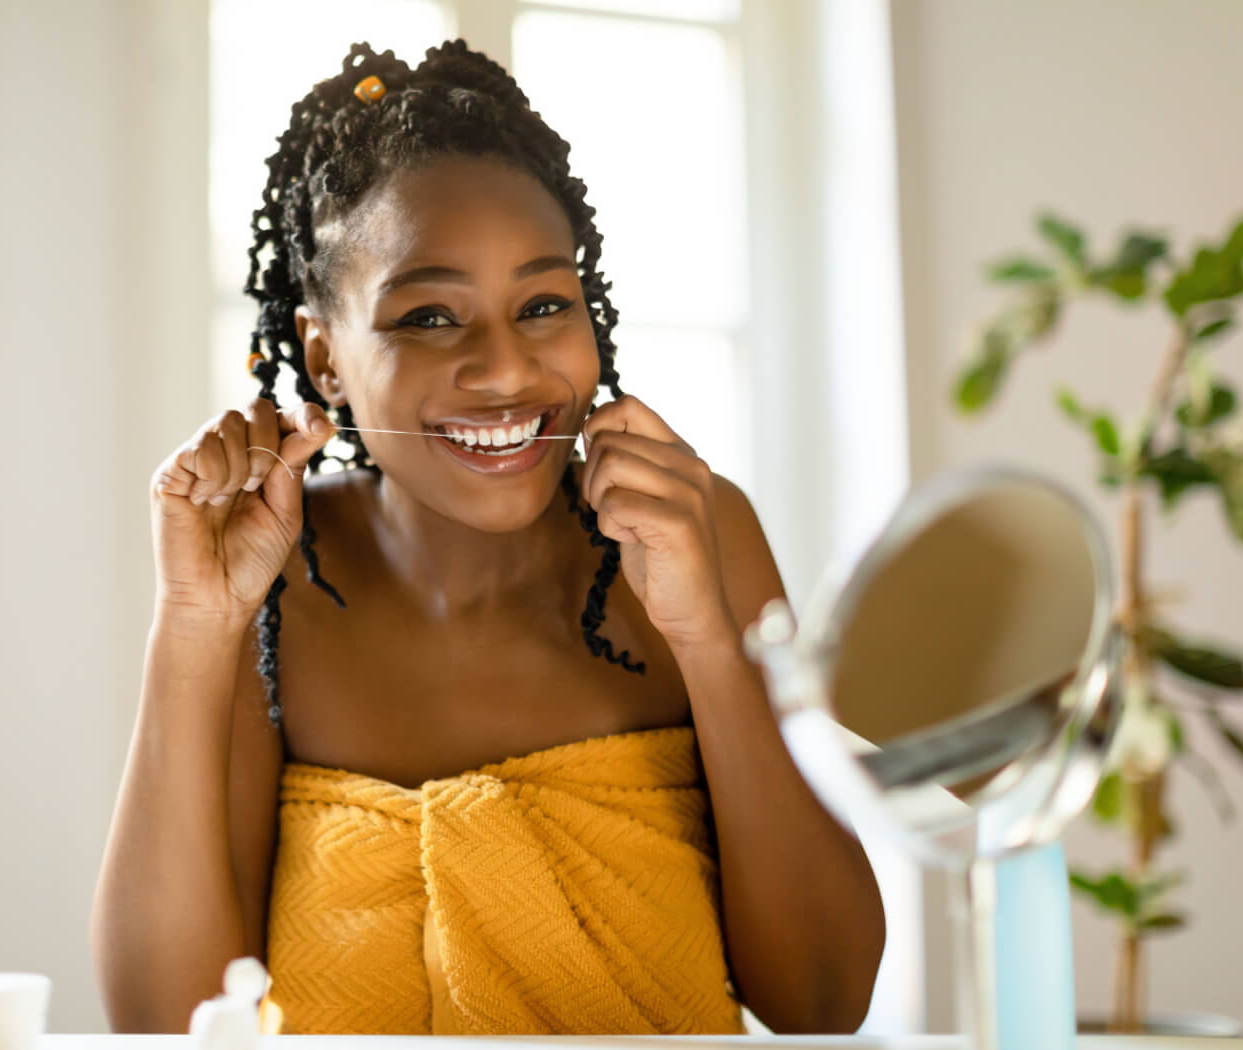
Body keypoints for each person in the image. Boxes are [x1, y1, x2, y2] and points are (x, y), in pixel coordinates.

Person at [91, 40, 884, 1036]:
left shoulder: (695, 529)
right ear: (325, 357)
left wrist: (706, 641)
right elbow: (165, 1025)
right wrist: (194, 622)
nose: (505, 367)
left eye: (545, 305)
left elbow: (823, 1001)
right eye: (429, 316)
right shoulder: (281, 573)